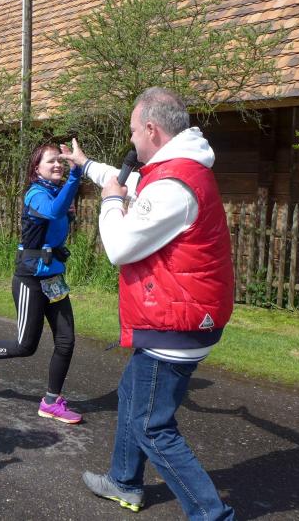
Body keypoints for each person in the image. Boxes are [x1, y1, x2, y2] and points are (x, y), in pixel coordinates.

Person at [60, 87, 235, 520]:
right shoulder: (174, 169)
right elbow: (126, 181)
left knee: (152, 427)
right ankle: (124, 481)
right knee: (130, 394)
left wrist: (110, 202)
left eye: (134, 130)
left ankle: (212, 515)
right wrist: (86, 165)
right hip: (177, 316)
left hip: (176, 325)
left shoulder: (173, 185)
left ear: (152, 130)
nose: (131, 139)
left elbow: (119, 247)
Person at [0, 143, 84, 424]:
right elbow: (52, 213)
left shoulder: (58, 193)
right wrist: (75, 175)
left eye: (60, 161)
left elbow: (58, 220)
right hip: (30, 279)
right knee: (26, 346)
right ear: (36, 168)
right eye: (51, 161)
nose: (58, 165)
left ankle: (51, 402)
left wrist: (71, 200)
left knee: (66, 340)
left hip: (53, 278)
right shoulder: (35, 194)